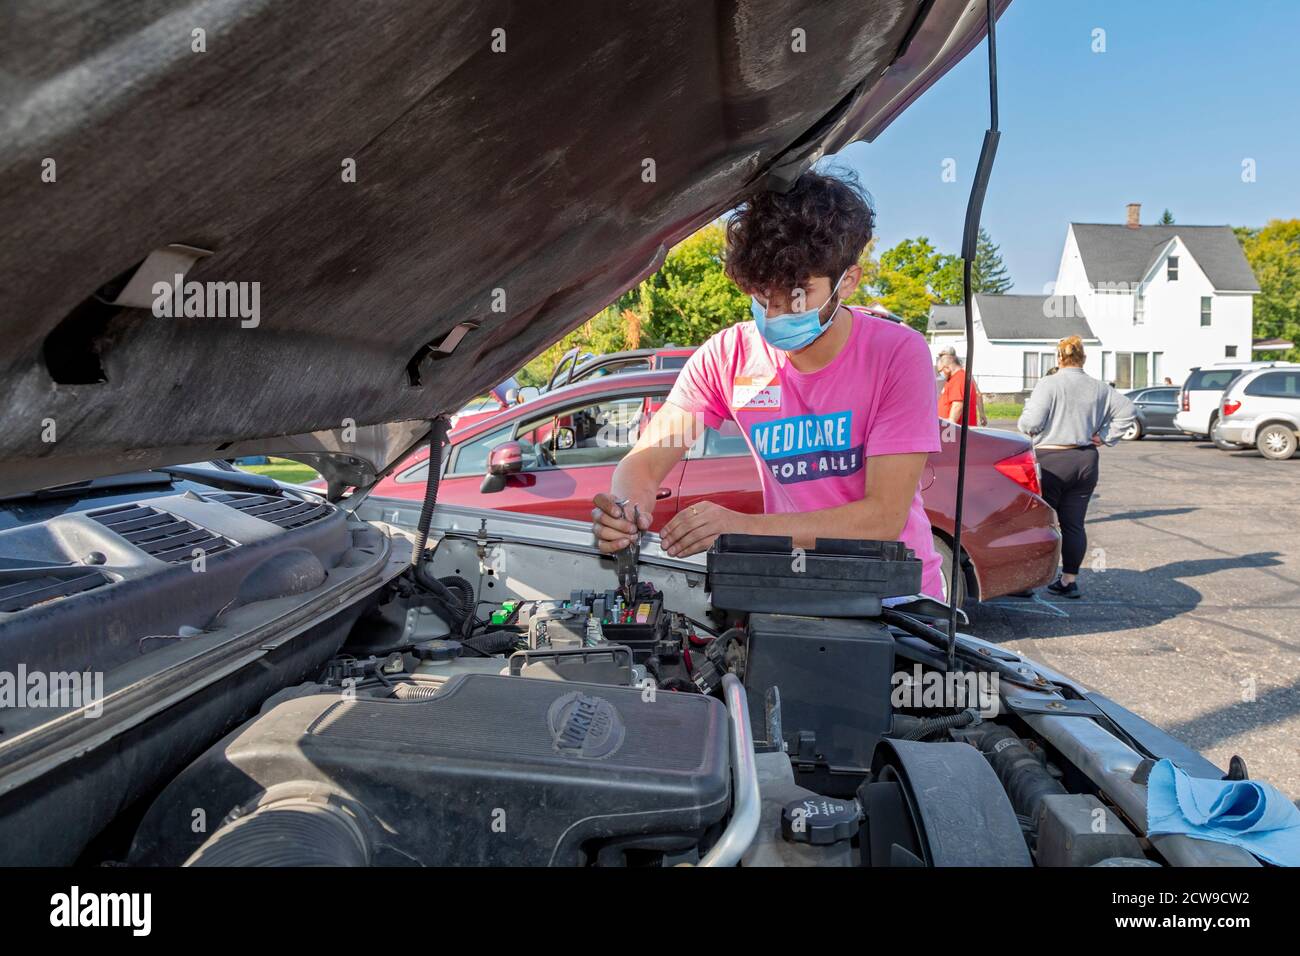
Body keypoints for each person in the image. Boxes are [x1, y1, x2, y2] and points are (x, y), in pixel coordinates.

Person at [590, 170, 948, 600]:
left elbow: (882, 518)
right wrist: (626, 509)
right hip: (796, 590)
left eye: (797, 295)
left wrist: (743, 527)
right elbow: (646, 462)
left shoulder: (896, 354)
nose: (776, 314)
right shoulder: (728, 358)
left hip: (893, 596)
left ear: (847, 281)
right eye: (763, 295)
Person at [1017, 336, 1135, 598]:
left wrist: (1024, 423)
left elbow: (1031, 423)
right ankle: (1069, 580)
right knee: (1073, 524)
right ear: (1083, 358)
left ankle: (1026, 581)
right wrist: (1105, 436)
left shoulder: (1049, 383)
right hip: (1085, 460)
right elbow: (1128, 409)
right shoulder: (1098, 387)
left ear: (1059, 358)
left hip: (1052, 460)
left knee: (1038, 523)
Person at [936, 352, 983, 426]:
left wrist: (949, 425)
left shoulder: (959, 378)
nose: (941, 374)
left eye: (940, 371)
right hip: (952, 432)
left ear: (947, 368)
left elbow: (957, 405)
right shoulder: (954, 378)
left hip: (955, 433)